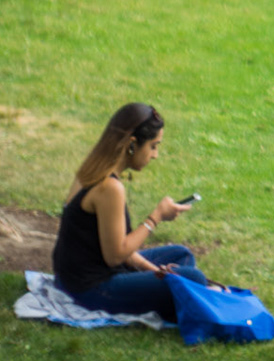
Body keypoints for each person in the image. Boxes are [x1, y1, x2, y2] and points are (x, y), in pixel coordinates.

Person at [52, 103, 205, 323]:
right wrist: (156, 217)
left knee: (181, 255)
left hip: (71, 277)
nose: (155, 155)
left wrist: (154, 271)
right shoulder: (110, 188)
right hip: (91, 289)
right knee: (194, 278)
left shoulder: (92, 168)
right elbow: (115, 255)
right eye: (153, 146)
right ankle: (179, 300)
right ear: (132, 144)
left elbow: (112, 247)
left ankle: (176, 295)